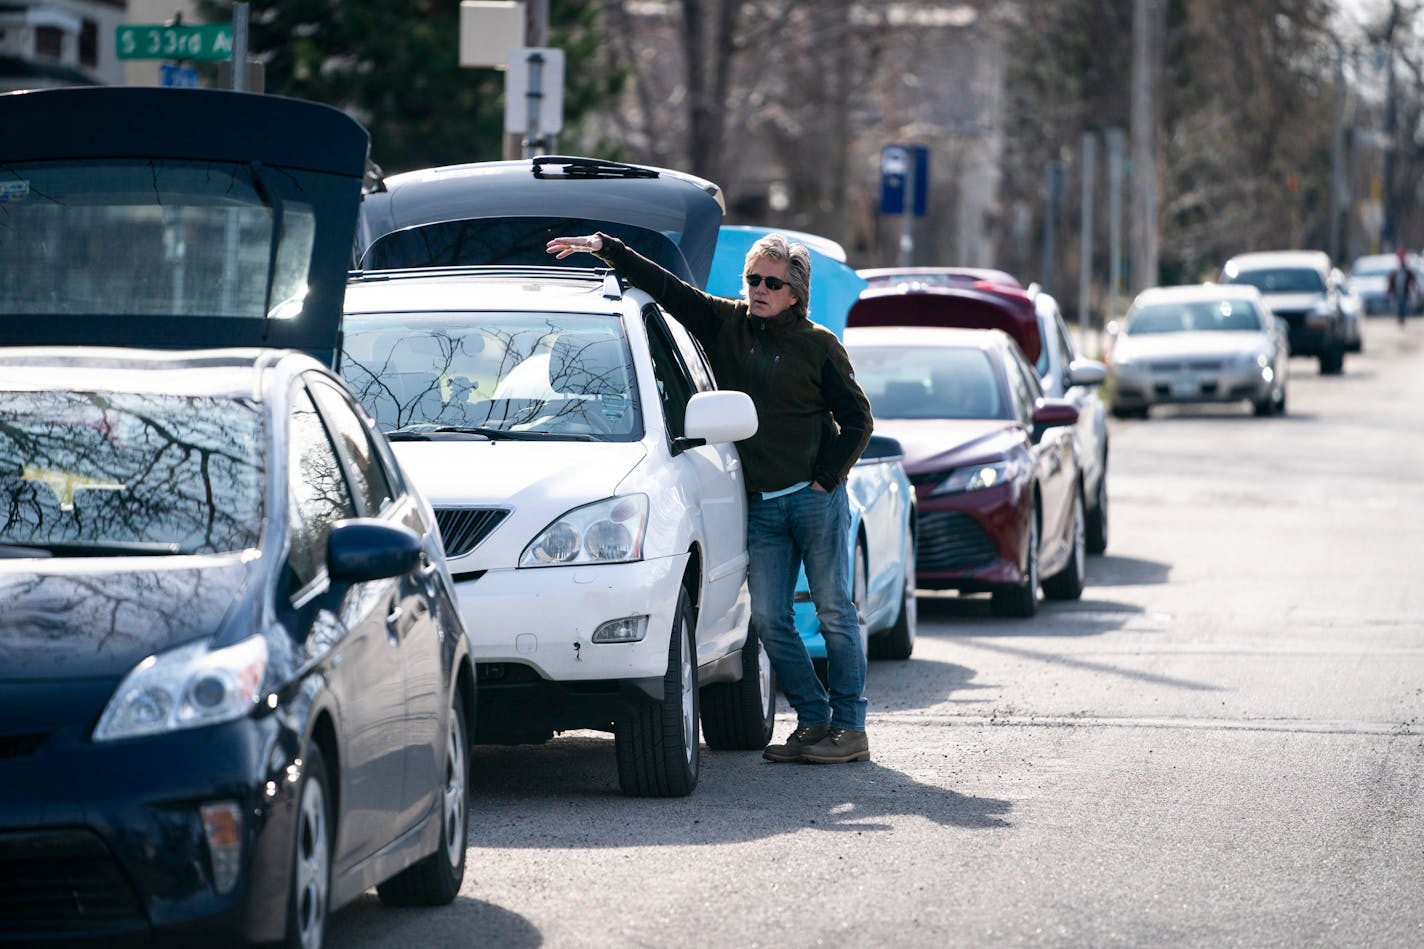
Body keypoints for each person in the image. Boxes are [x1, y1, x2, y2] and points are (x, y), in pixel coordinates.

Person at [546, 231, 875, 764]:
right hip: (762, 506)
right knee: (768, 620)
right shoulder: (725, 323)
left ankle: (851, 727)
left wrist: (827, 477)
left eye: (773, 282)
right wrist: (608, 248)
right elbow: (667, 288)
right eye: (753, 279)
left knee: (835, 610)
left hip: (814, 500)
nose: (760, 289)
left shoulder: (819, 345)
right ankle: (813, 722)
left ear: (796, 292)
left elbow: (858, 418)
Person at [1387, 247, 1418, 327]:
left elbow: (1412, 279)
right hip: (1397, 291)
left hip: (1405, 291)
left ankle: (1402, 319)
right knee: (1399, 306)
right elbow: (1391, 281)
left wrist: (1413, 288)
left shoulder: (1407, 271)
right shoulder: (1395, 271)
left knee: (1403, 306)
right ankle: (1400, 318)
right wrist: (1390, 290)